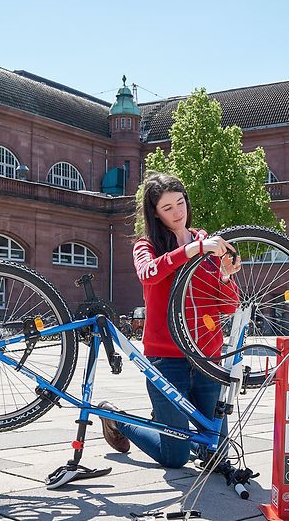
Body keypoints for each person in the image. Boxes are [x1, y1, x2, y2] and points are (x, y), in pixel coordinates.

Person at [98, 173, 241, 468]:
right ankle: (117, 419)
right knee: (174, 458)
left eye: (180, 203)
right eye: (168, 208)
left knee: (217, 456)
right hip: (166, 358)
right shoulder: (146, 245)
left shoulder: (207, 242)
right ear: (155, 213)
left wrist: (226, 275)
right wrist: (189, 251)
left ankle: (168, 424)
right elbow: (147, 273)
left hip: (208, 357)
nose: (178, 212)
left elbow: (229, 305)